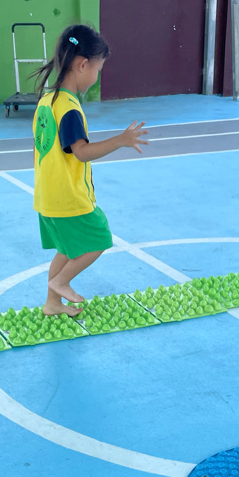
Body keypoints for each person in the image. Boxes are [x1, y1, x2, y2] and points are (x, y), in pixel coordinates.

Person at [31, 24, 149, 316]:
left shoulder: (47, 101)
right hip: (68, 197)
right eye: (98, 69)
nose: (97, 77)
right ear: (83, 65)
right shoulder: (69, 108)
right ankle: (61, 282)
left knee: (66, 249)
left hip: (46, 196)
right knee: (99, 237)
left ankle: (52, 303)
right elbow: (81, 152)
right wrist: (121, 140)